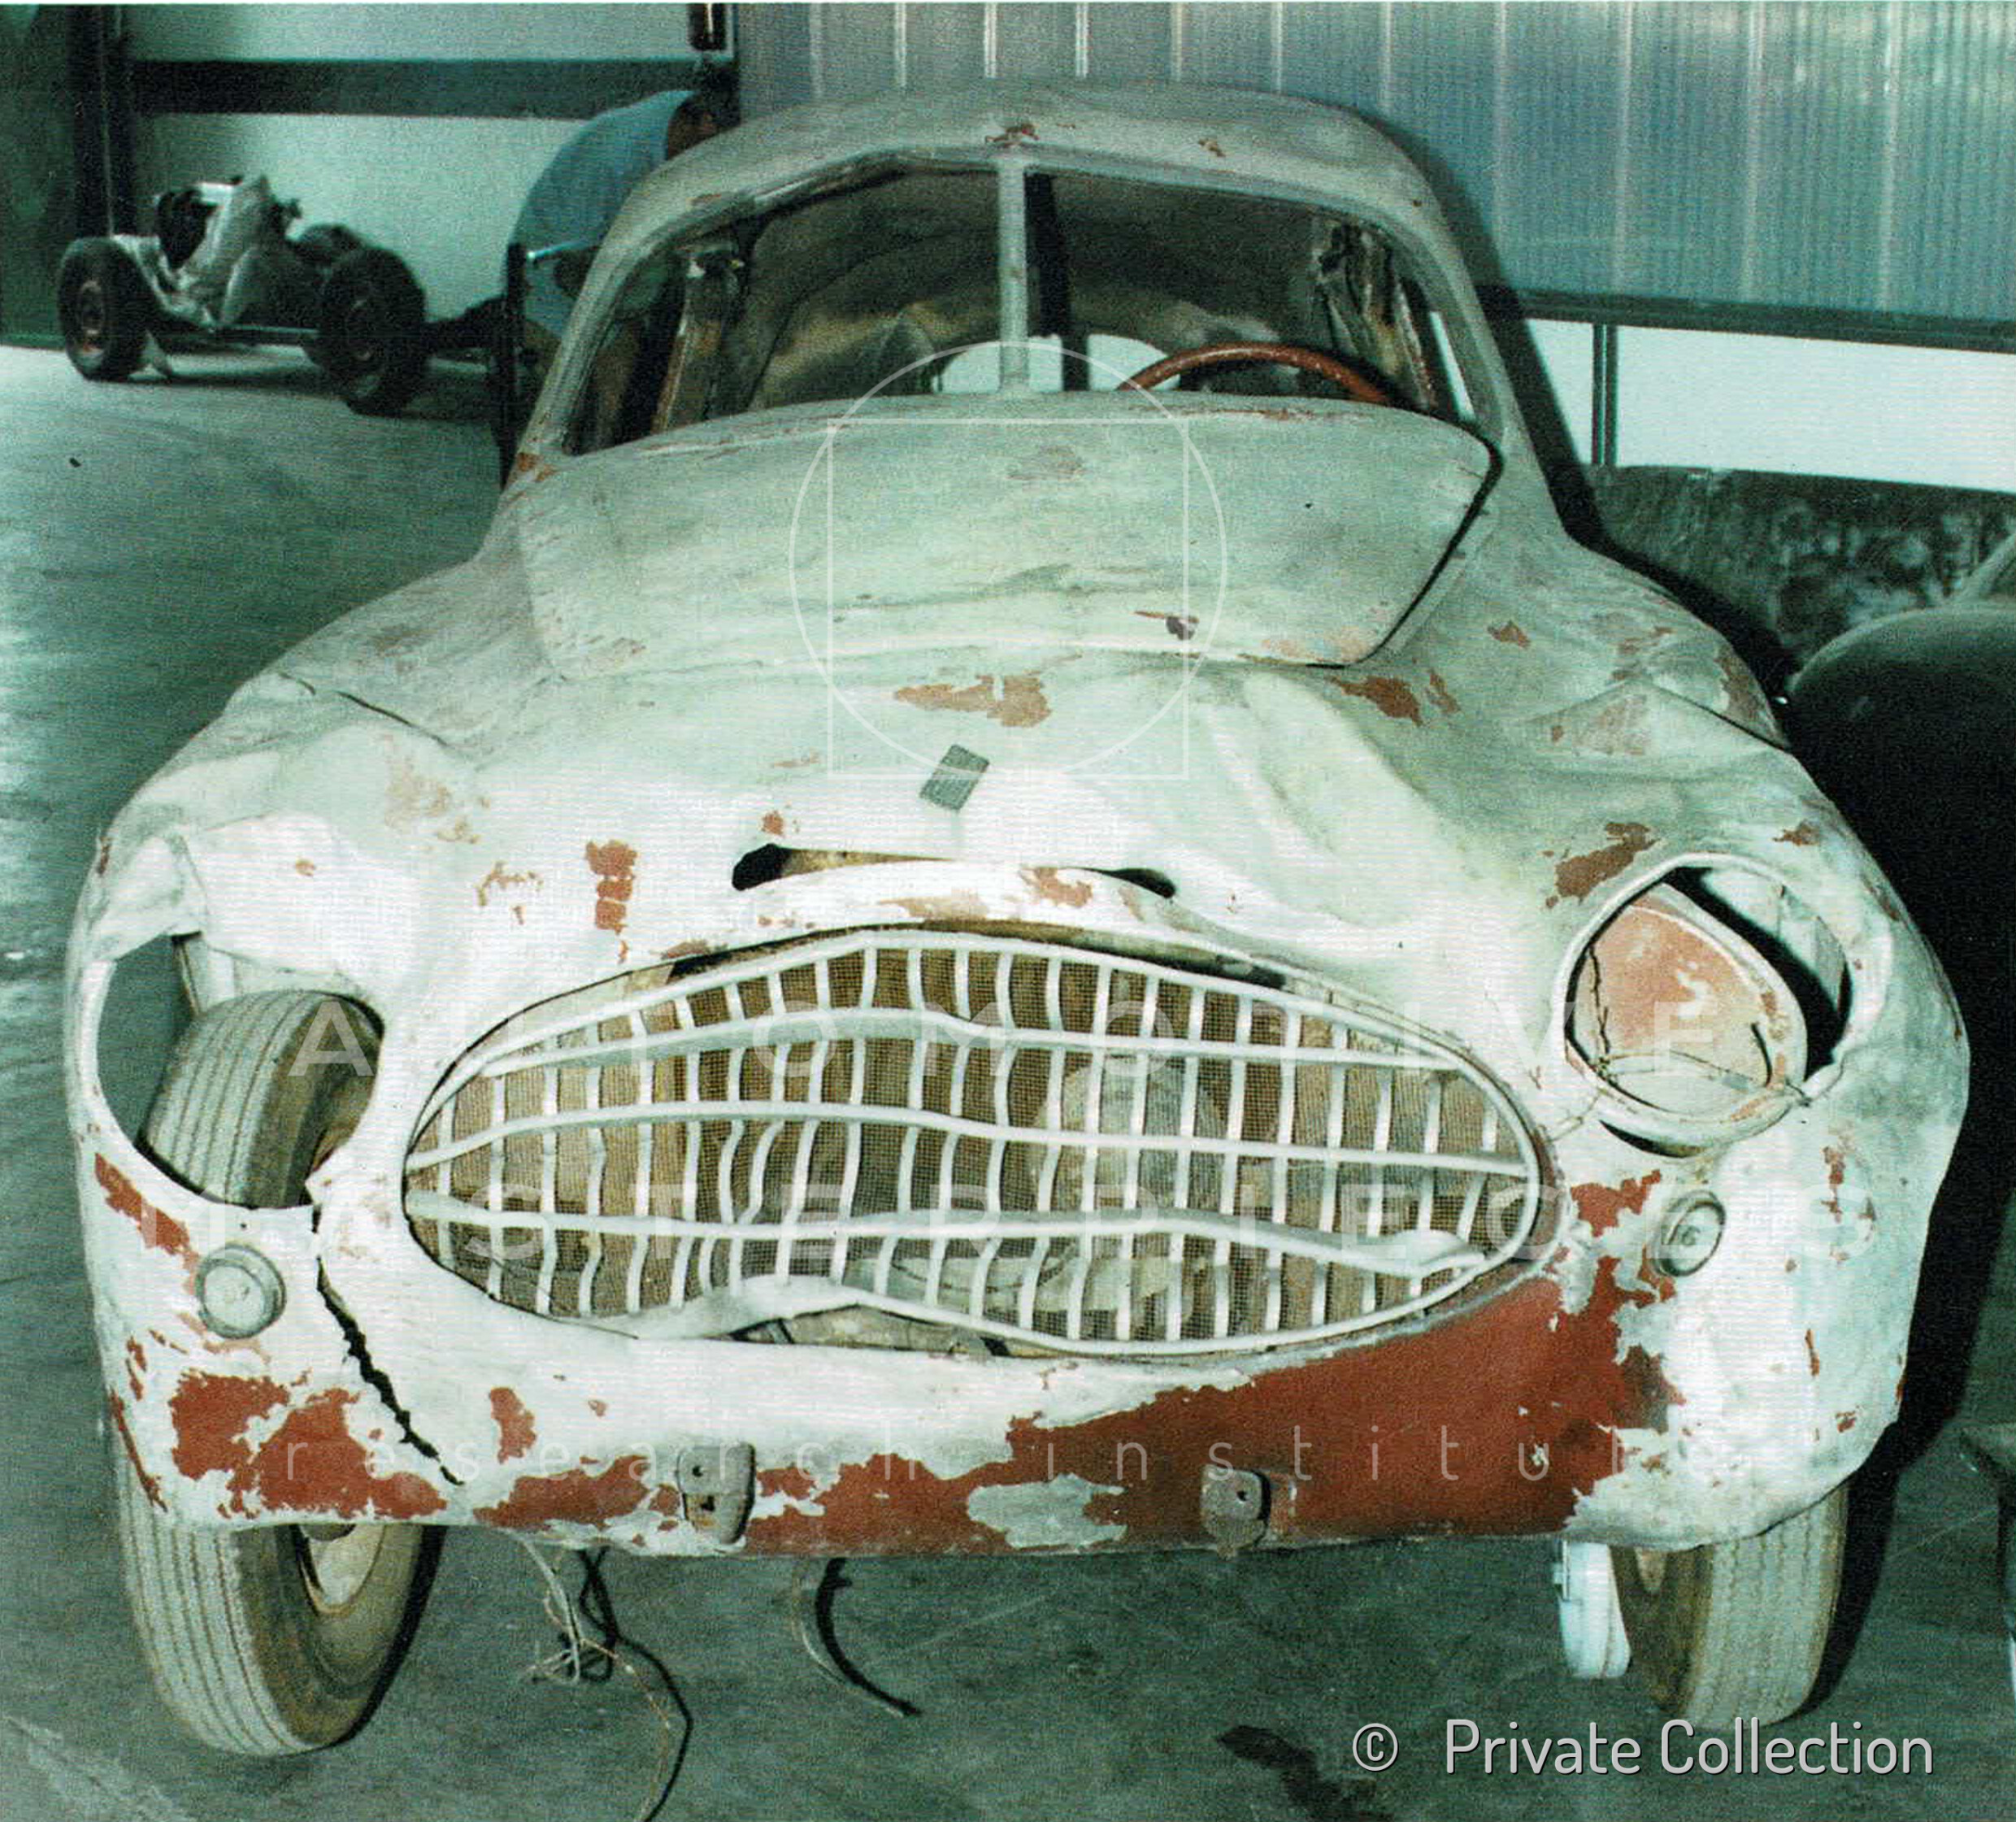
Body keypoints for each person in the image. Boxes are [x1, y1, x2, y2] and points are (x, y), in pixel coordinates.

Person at [509, 68, 737, 382]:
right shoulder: (616, 158)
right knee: (617, 374)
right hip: (552, 284)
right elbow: (576, 269)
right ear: (707, 125)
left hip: (595, 269)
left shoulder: (679, 114)